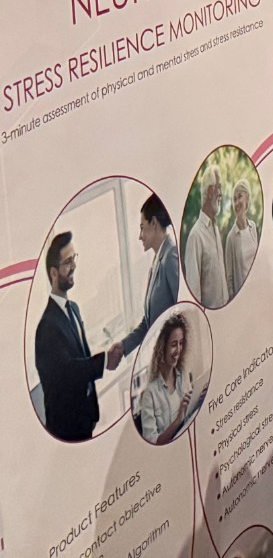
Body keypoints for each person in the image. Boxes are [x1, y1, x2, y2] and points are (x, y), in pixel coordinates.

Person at [34, 232, 124, 442]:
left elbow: (82, 355)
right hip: (67, 429)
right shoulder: (46, 327)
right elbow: (67, 373)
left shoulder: (73, 308)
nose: (74, 266)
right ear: (53, 273)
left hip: (85, 419)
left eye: (74, 258)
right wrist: (104, 361)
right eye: (68, 262)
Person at [122, 193, 180, 352]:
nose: (140, 236)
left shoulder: (170, 256)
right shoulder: (157, 261)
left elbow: (182, 312)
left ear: (154, 223)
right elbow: (149, 322)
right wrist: (123, 346)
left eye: (142, 227)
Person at [136, 311, 197, 444]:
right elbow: (153, 442)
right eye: (174, 344)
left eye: (181, 343)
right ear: (162, 348)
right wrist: (178, 420)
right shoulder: (150, 394)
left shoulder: (183, 374)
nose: (178, 350)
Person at [184, 167, 230, 309]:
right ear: (210, 192)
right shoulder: (195, 236)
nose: (221, 194)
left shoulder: (216, 229)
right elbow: (194, 295)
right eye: (219, 188)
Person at [223, 179, 260, 301]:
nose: (237, 202)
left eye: (239, 197)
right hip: (243, 298)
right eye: (234, 199)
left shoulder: (253, 227)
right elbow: (229, 279)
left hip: (258, 289)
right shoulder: (231, 237)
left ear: (247, 199)